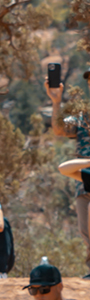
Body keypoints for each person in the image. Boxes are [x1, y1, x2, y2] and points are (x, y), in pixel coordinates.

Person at [48, 77, 90, 278]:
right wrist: (56, 102)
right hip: (84, 180)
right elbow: (59, 129)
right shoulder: (83, 116)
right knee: (86, 232)